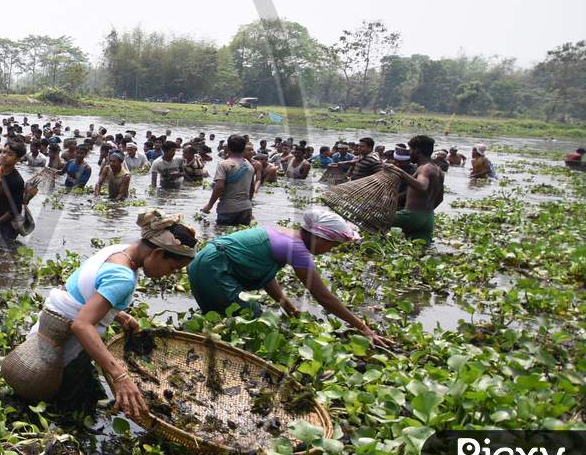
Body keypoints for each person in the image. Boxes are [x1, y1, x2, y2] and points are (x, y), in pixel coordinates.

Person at [0, 211, 197, 416]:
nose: (169, 274)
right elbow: (81, 325)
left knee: (92, 398)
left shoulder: (118, 251)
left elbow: (82, 291)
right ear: (157, 253)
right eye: (172, 267)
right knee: (69, 412)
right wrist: (119, 376)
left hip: (47, 329)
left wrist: (118, 315)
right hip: (69, 349)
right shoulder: (123, 278)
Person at [186, 207, 393, 350]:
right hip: (213, 270)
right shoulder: (298, 249)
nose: (331, 250)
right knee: (255, 321)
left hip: (202, 265)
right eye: (332, 244)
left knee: (219, 322)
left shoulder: (284, 234)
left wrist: (287, 305)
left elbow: (265, 275)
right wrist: (364, 328)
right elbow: (323, 297)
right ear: (319, 237)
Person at [390, 134, 443, 243]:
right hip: (428, 218)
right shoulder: (438, 170)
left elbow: (422, 186)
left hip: (412, 215)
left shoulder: (424, 168)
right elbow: (440, 198)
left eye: (410, 150)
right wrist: (424, 215)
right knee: (419, 251)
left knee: (370, 218)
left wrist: (399, 171)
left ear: (417, 151)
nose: (409, 153)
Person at [203, 134, 256, 228]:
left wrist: (209, 205)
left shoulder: (224, 164)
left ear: (228, 147)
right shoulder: (249, 166)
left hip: (228, 209)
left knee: (224, 237)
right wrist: (247, 204)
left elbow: (219, 187)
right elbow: (252, 189)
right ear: (244, 148)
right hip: (246, 209)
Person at [0, 141, 28, 249]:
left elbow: (15, 210)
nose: (4, 156)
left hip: (8, 225)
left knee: (3, 251)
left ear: (17, 159)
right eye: (3, 152)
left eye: (9, 154)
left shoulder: (16, 180)